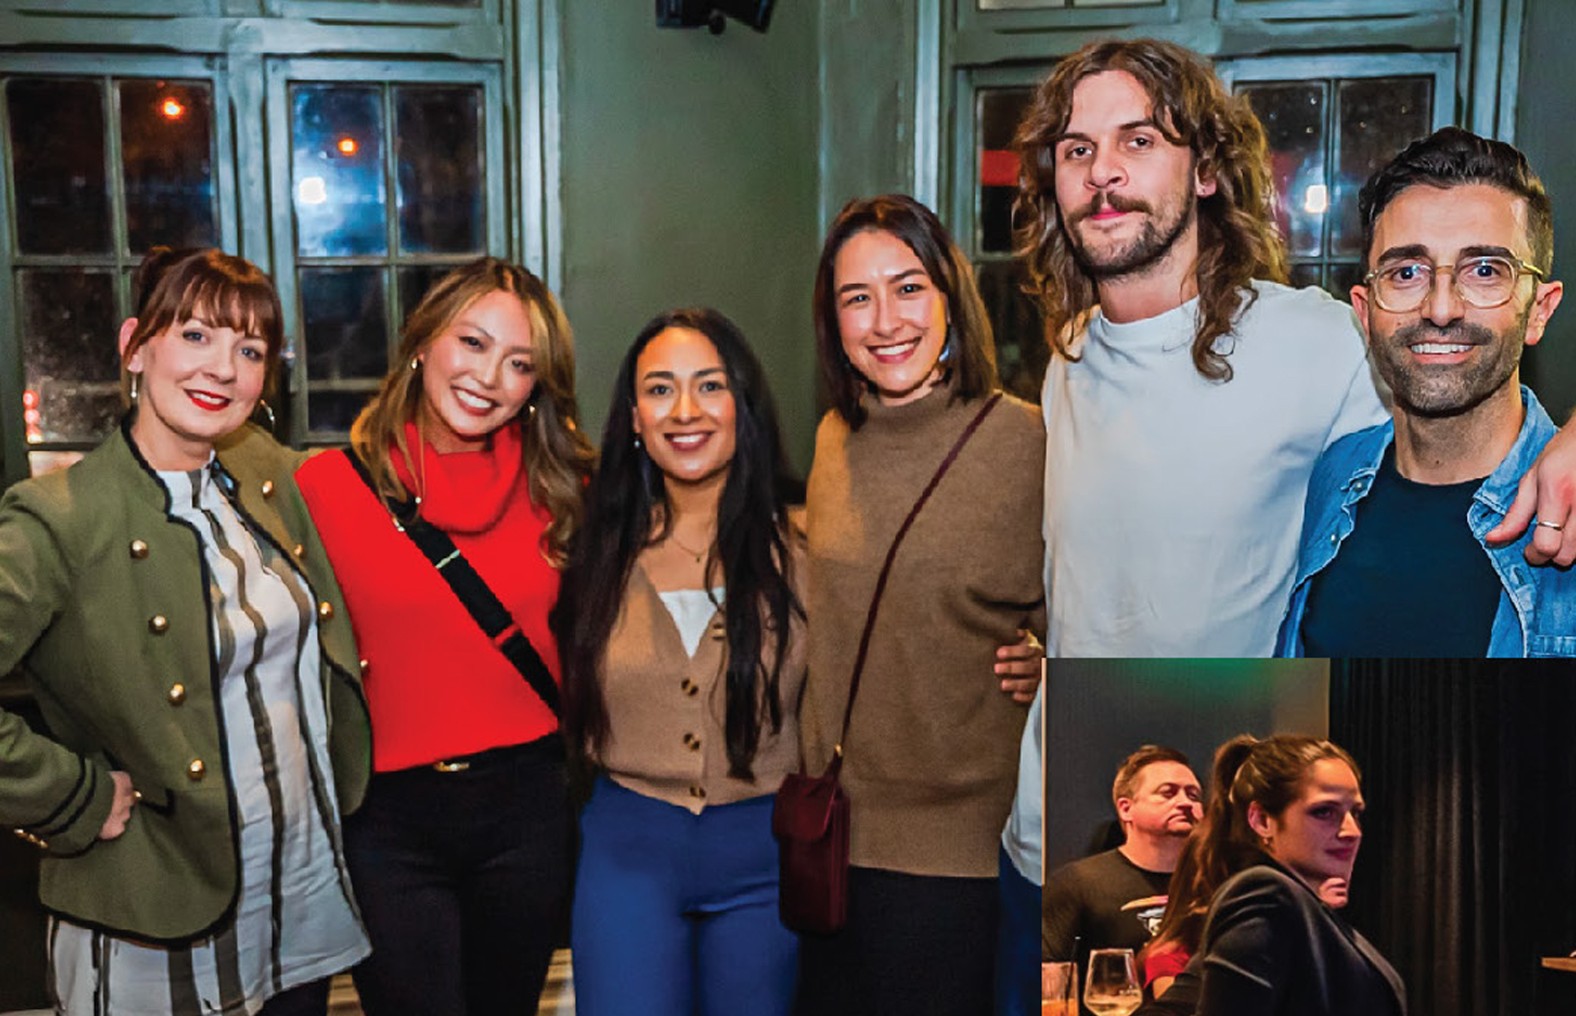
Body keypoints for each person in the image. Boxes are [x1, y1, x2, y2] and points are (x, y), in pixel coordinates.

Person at [1013, 37, 1576, 657]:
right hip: (1070, 743)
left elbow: (1460, 410)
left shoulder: (1320, 339)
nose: (1102, 171)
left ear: (1205, 171)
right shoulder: (1069, 354)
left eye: (1139, 140)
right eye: (1077, 149)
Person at [0, 247, 370, 1015]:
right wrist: (71, 795)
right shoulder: (60, 518)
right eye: (196, 336)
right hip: (157, 903)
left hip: (294, 886)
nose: (223, 370)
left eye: (249, 350)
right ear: (136, 346)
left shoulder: (262, 474)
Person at [295, 257, 595, 1015]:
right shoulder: (325, 488)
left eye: (519, 362)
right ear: (423, 342)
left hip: (527, 808)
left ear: (537, 386)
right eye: (472, 343)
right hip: (387, 822)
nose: (489, 376)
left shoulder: (567, 491)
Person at [796, 193, 1046, 1016]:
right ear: (832, 321)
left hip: (959, 856)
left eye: (908, 288)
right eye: (855, 298)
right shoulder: (835, 438)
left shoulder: (1030, 441)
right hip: (829, 838)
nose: (884, 320)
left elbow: (1110, 592)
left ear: (950, 296)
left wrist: (1048, 649)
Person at [553, 307, 805, 1016]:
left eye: (709, 386)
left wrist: (1022, 660)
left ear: (742, 406)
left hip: (768, 853)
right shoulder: (589, 547)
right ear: (633, 417)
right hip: (627, 852)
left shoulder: (811, 544)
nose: (685, 411)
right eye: (660, 389)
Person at [1277, 127, 1574, 657]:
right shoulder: (1336, 472)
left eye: (1485, 271)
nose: (1441, 309)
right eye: (1406, 271)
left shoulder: (1567, 506)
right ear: (1365, 315)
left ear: (1540, 310)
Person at [1180, 733, 1404, 1016]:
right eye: (1324, 812)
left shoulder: (1293, 908)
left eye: (1355, 813)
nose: (1352, 831)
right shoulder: (1262, 895)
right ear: (1262, 821)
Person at [1042, 745, 1201, 1007]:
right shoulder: (1077, 884)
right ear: (1126, 808)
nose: (1186, 803)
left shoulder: (1218, 884)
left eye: (1194, 795)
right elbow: (1048, 982)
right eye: (1168, 793)